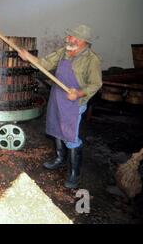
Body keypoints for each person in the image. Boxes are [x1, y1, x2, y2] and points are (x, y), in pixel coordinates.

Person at [18, 25, 102, 188]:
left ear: (83, 42)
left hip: (74, 102)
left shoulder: (92, 60)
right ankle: (59, 158)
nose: (68, 39)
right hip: (58, 96)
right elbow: (44, 63)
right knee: (57, 128)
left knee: (70, 135)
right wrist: (29, 57)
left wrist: (78, 93)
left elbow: (95, 84)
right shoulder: (64, 51)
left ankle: (74, 174)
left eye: (73, 37)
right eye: (69, 36)